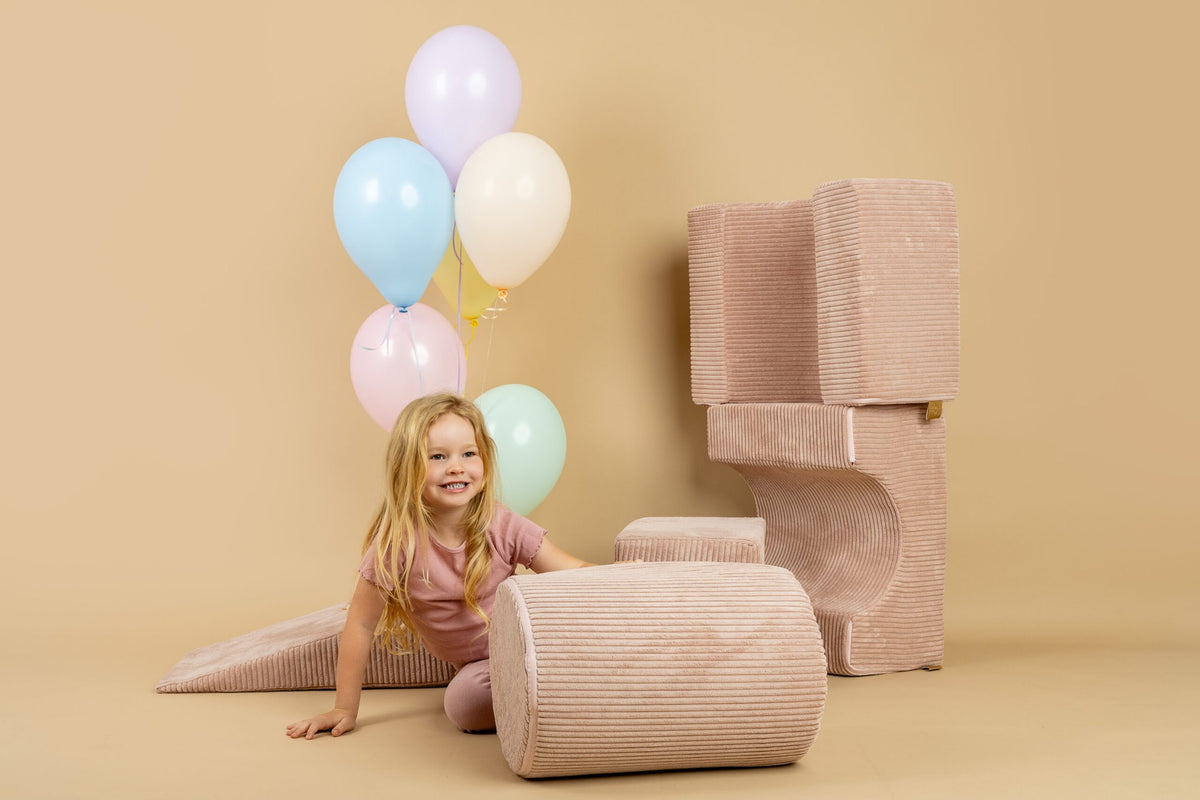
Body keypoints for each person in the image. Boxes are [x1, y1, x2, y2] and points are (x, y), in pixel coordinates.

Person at [285, 393, 592, 739]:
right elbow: (360, 624)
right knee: (464, 703)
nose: (456, 467)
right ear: (408, 468)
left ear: (485, 461)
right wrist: (344, 708)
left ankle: (571, 685)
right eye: (437, 457)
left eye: (468, 454)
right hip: (484, 668)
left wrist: (621, 575)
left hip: (536, 640)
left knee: (569, 643)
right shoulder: (398, 543)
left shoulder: (502, 524)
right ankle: (562, 696)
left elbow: (570, 571)